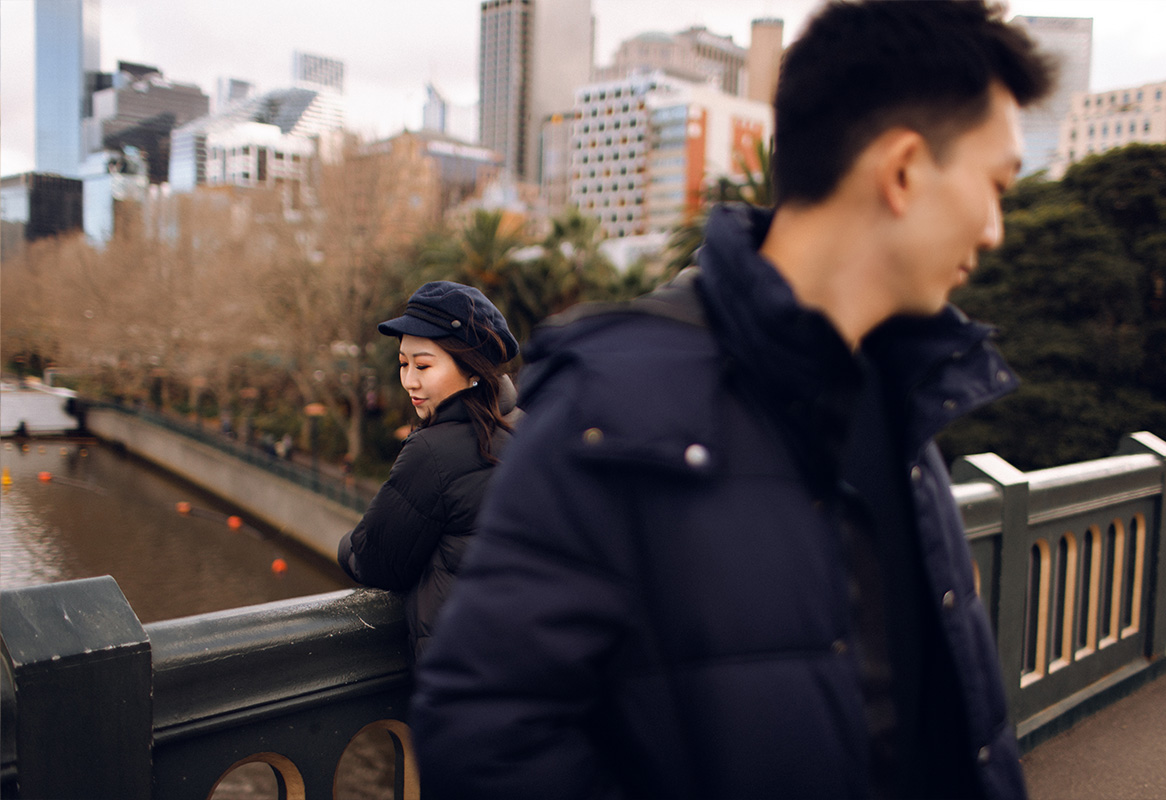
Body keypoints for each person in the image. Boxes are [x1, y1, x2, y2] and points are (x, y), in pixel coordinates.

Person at [411, 1, 1054, 798]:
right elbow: (485, 744)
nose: (995, 229)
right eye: (995, 186)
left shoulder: (903, 394)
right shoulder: (610, 400)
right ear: (903, 169)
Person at [337, 281, 519, 660]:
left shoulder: (432, 452)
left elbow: (375, 561)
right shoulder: (527, 428)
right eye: (403, 364)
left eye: (423, 365)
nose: (409, 381)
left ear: (472, 367)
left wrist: (347, 547)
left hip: (465, 674)